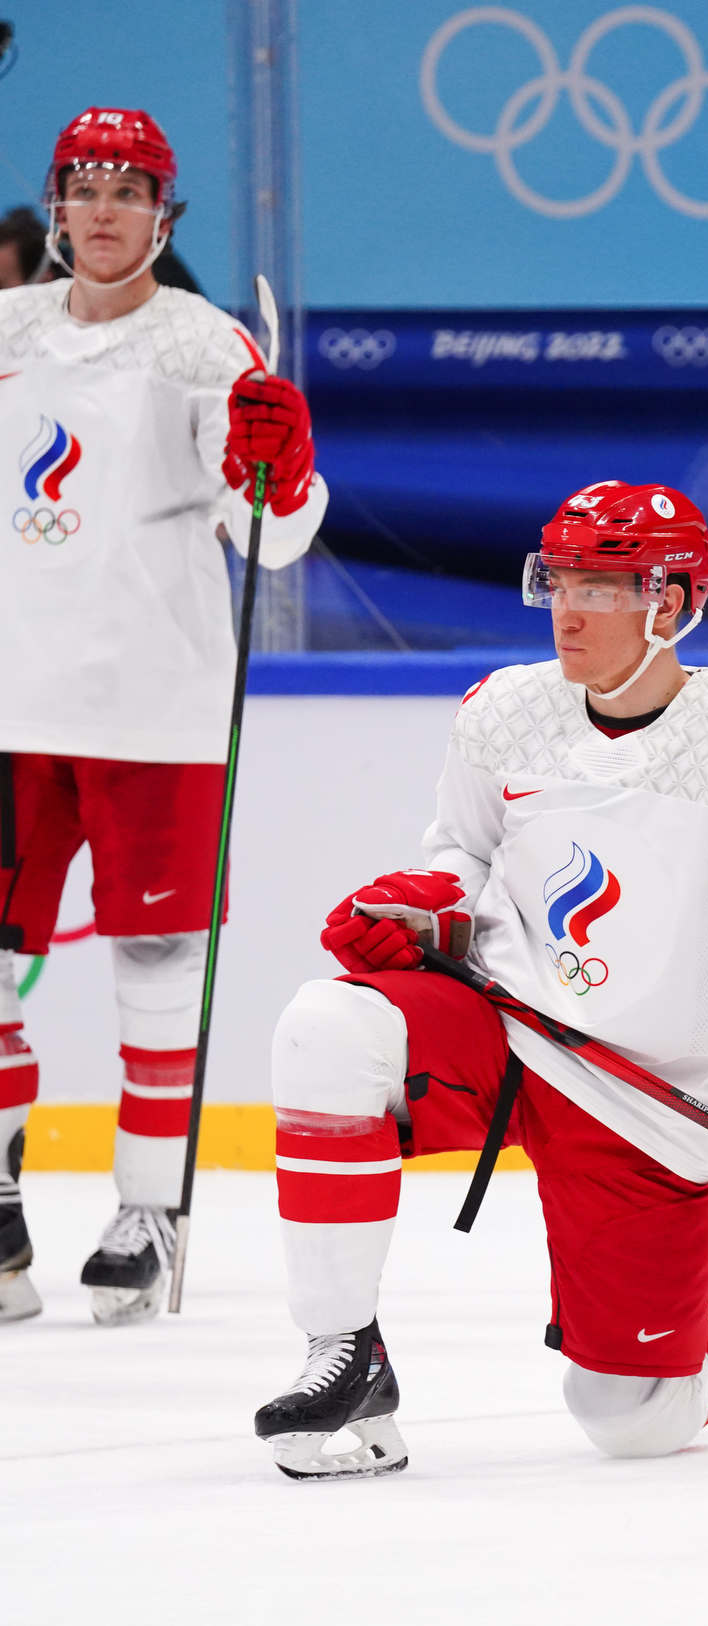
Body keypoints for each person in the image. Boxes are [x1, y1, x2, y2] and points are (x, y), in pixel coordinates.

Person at [252, 481, 708, 1479]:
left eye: (600, 586)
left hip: (649, 1099)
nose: (567, 607)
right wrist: (424, 911)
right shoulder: (505, 712)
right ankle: (346, 1352)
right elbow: (460, 855)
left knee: (628, 1418)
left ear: (673, 605)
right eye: (557, 578)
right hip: (502, 1032)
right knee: (324, 1026)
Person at [0, 108, 326, 1326]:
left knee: (156, 967)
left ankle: (149, 1204)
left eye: (127, 192)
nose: (100, 211)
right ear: (54, 204)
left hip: (159, 710)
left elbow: (276, 539)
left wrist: (280, 468)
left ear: (163, 215)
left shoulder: (207, 346)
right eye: (81, 188)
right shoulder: (8, 331)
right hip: (9, 708)